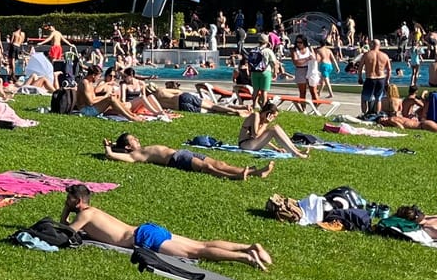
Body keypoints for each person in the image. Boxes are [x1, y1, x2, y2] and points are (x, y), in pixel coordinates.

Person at [60, 185, 270, 269]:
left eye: (69, 198)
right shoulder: (94, 212)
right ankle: (248, 247)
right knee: (200, 244)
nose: (66, 200)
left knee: (196, 252)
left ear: (77, 200)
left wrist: (65, 211)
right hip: (147, 229)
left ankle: (245, 258)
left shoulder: (85, 215)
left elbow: (66, 231)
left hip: (143, 239)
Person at [103, 133, 266, 180]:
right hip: (176, 159)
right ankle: (236, 176)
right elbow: (114, 157)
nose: (137, 139)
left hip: (183, 152)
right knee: (207, 168)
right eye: (133, 139)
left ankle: (254, 172)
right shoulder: (135, 154)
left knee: (219, 162)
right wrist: (109, 150)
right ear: (127, 146)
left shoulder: (141, 148)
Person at [238, 99, 307, 157]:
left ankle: (296, 150)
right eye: (273, 116)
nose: (273, 119)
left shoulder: (262, 120)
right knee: (273, 129)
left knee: (276, 127)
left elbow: (262, 138)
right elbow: (255, 135)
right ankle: (295, 153)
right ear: (268, 113)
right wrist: (266, 123)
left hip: (251, 144)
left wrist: (276, 148)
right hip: (245, 144)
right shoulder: (256, 115)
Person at [354, 39, 391, 118]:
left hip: (370, 78)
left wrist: (360, 77)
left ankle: (364, 114)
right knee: (378, 99)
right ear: (379, 45)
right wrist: (387, 80)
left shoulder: (366, 55)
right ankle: (377, 115)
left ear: (371, 45)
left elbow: (360, 67)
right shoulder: (385, 55)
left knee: (364, 98)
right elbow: (389, 69)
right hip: (381, 79)